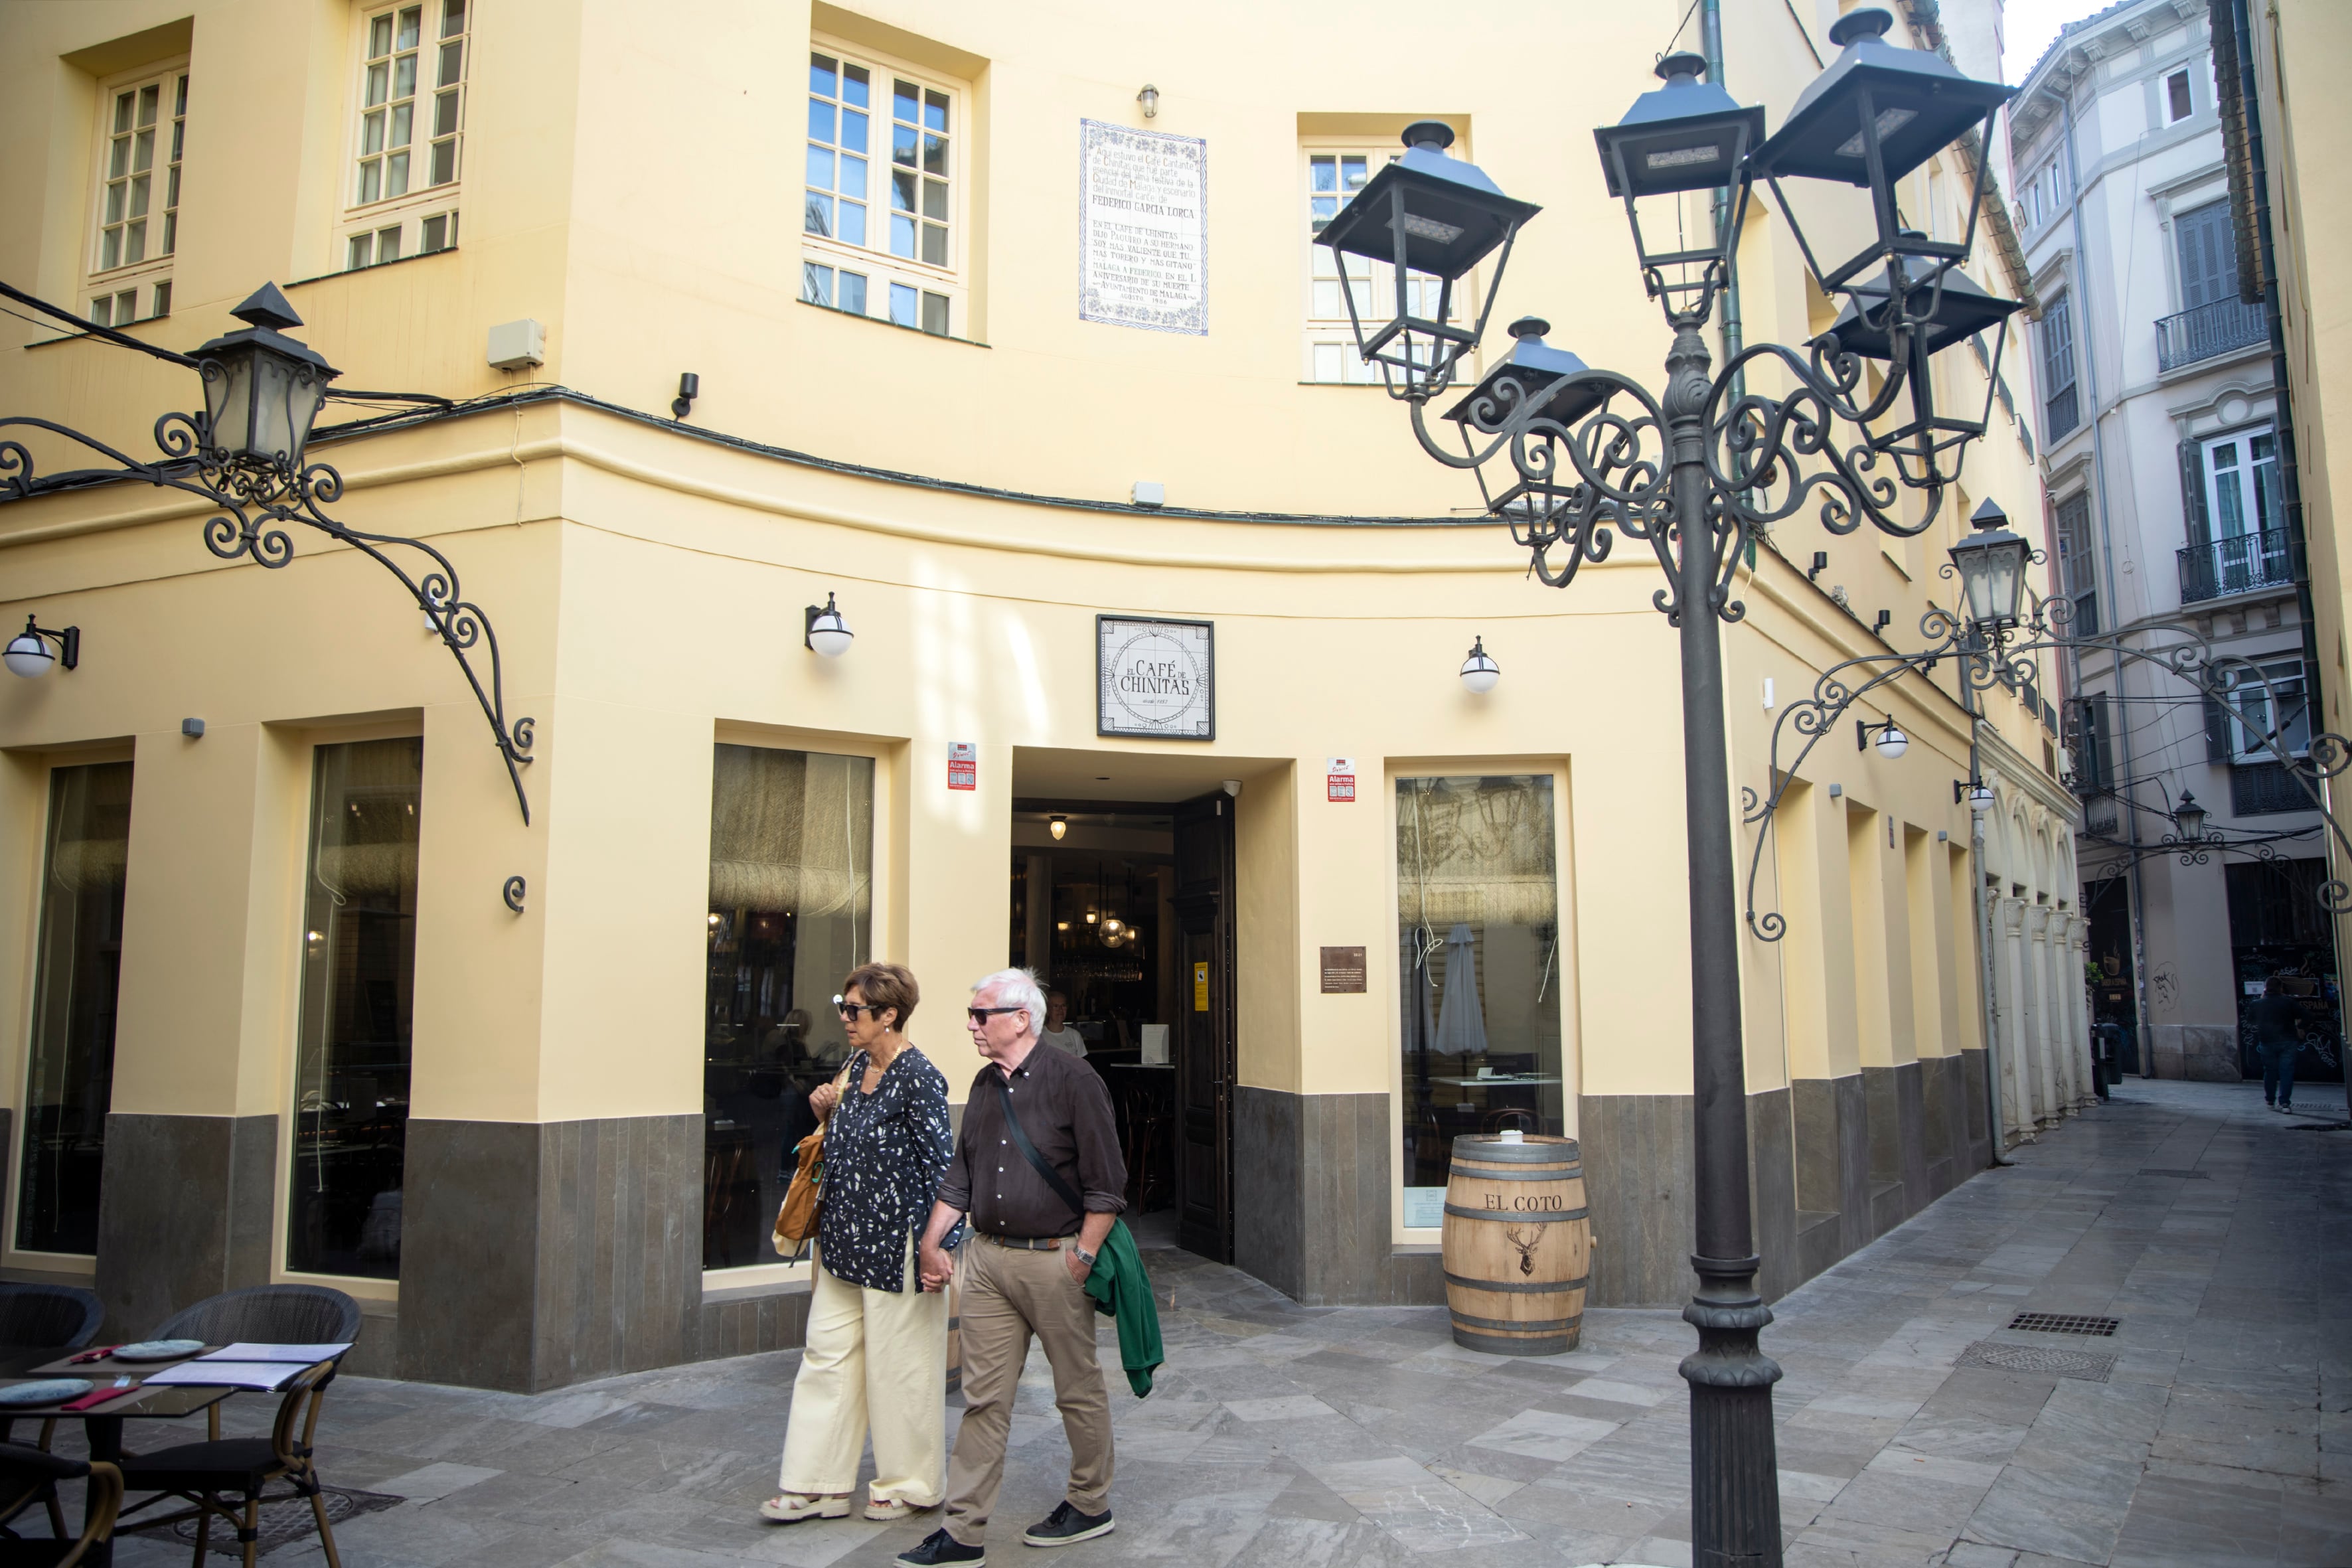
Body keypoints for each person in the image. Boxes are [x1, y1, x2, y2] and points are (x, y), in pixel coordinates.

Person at [896, 968, 1127, 1567]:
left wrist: (1081, 1258)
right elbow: (961, 1174)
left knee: (1076, 1390)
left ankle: (1089, 1503)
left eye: (981, 1015)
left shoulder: (1074, 1080)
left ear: (1021, 1018)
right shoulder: (982, 1082)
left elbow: (1108, 1186)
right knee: (983, 1400)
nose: (971, 1025)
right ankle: (963, 1531)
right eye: (971, 1015)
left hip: (1055, 1261)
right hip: (989, 1260)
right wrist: (932, 1242)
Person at [761, 963, 952, 1526]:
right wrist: (826, 1110)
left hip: (898, 1248)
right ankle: (816, 1483)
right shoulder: (852, 1066)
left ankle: (908, 1484)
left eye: (854, 1010)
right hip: (842, 1244)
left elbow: (945, 1169)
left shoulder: (920, 1077)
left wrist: (939, 1246)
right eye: (842, 1007)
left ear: (889, 1014)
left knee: (901, 1371)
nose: (844, 1018)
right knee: (825, 1360)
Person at [2248, 978, 2304, 1114]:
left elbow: (2250, 1021)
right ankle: (2285, 1103)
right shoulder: (2288, 1002)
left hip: (2267, 1041)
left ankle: (2270, 1100)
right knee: (2287, 1071)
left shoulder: (2257, 1004)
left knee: (2270, 1071)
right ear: (2281, 988)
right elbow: (2307, 1016)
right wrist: (2301, 1027)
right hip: (2288, 1040)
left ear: (2265, 988)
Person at [1038, 990, 1087, 1058]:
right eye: (1056, 1006)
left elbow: (1081, 1066)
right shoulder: (1038, 1037)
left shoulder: (1075, 1036)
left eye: (1063, 1006)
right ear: (1048, 1011)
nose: (1060, 1010)